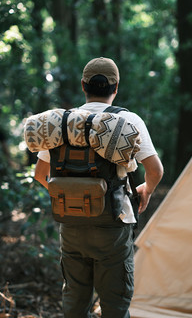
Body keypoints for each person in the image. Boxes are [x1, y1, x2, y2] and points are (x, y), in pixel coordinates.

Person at [34, 57, 164, 318]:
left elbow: (40, 175)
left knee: (74, 302)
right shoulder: (129, 121)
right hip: (111, 226)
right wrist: (145, 191)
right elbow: (155, 171)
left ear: (84, 86)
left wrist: (68, 191)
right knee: (115, 305)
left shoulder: (61, 124)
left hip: (70, 225)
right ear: (116, 87)